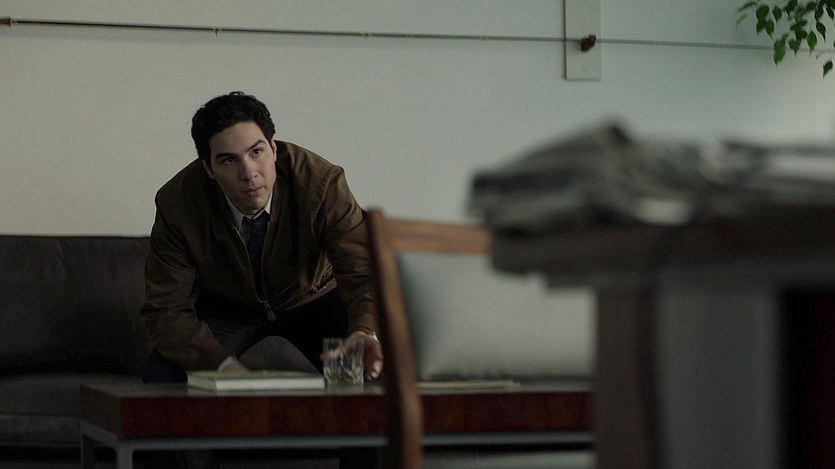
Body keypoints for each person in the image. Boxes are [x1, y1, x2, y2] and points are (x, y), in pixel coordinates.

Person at [139, 91, 383, 467]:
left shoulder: (322, 182)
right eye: (228, 160)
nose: (249, 172)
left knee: (377, 374)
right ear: (208, 168)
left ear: (273, 148)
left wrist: (365, 330)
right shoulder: (177, 203)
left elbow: (363, 271)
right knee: (165, 376)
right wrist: (220, 366)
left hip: (314, 298)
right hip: (226, 307)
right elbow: (165, 310)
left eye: (256, 152)